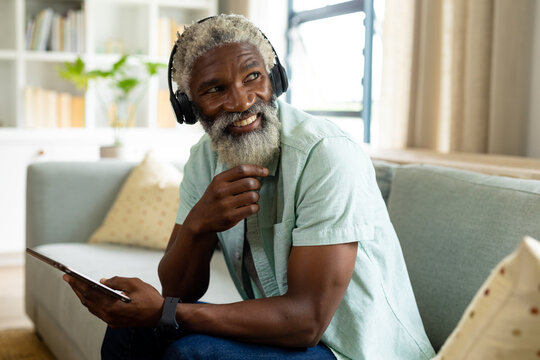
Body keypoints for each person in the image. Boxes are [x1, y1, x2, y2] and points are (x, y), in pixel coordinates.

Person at [64, 14, 435, 360]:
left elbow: (306, 321)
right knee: (130, 331)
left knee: (192, 353)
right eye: (214, 89)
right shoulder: (203, 160)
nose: (241, 101)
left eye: (252, 76)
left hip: (349, 349)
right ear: (188, 107)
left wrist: (166, 313)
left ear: (275, 79)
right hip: (285, 332)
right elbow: (179, 291)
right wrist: (198, 224)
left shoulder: (326, 155)